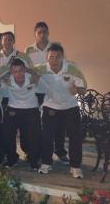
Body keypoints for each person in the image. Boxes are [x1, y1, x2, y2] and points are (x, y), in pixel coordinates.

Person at [36, 43, 87, 178]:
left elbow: (84, 88)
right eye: (51, 57)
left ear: (62, 57)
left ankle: (75, 166)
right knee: (47, 136)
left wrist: (78, 90)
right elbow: (27, 71)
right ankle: (46, 163)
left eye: (57, 57)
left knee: (75, 137)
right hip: (50, 106)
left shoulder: (72, 67)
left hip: (70, 106)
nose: (54, 60)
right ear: (47, 58)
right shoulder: (41, 68)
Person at [25, 22, 68, 164]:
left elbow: (63, 65)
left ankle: (60, 151)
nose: (42, 35)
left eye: (44, 31)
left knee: (59, 123)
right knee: (37, 124)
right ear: (35, 34)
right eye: (39, 32)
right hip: (37, 92)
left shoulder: (55, 47)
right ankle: (36, 152)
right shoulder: (29, 50)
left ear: (48, 32)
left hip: (54, 91)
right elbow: (27, 70)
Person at [2, 58, 41, 169]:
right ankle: (12, 159)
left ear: (25, 70)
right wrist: (7, 72)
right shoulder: (8, 79)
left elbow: (38, 75)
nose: (18, 74)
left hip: (31, 108)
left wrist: (31, 71)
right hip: (13, 108)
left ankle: (33, 161)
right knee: (7, 133)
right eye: (15, 71)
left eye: (20, 71)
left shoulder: (32, 78)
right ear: (11, 72)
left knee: (34, 135)